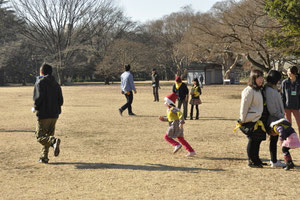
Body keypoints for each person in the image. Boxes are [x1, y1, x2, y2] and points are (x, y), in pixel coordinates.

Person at [33, 63, 63, 164]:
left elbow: (38, 99)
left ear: (41, 72)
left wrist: (35, 108)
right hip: (54, 114)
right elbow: (61, 101)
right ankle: (44, 157)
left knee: (40, 136)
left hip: (43, 114)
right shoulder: (56, 84)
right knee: (49, 135)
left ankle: (54, 141)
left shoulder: (40, 83)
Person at [239, 69, 266, 168]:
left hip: (258, 119)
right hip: (250, 119)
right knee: (252, 140)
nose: (261, 80)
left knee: (257, 140)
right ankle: (251, 160)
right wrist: (242, 120)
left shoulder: (258, 90)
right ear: (253, 78)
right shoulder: (249, 90)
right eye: (258, 77)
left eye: (262, 77)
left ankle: (256, 159)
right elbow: (244, 106)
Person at [159, 93, 196, 157]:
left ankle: (176, 145)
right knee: (181, 139)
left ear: (169, 102)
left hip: (175, 125)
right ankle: (191, 151)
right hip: (177, 125)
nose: (165, 103)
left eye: (166, 101)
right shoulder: (169, 110)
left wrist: (181, 122)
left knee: (166, 137)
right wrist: (164, 119)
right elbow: (170, 118)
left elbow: (180, 114)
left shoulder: (173, 109)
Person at [263, 70, 286, 168]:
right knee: (273, 140)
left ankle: (274, 160)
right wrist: (281, 116)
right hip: (274, 119)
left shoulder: (272, 89)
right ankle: (273, 160)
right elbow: (272, 109)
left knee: (274, 140)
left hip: (276, 117)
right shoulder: (269, 91)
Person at [281, 66, 300, 136]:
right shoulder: (285, 82)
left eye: (290, 72)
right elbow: (282, 95)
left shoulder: (299, 82)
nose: (288, 73)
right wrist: (282, 107)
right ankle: (289, 140)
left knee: (299, 124)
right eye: (288, 71)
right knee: (288, 125)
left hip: (296, 106)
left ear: (294, 73)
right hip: (287, 107)